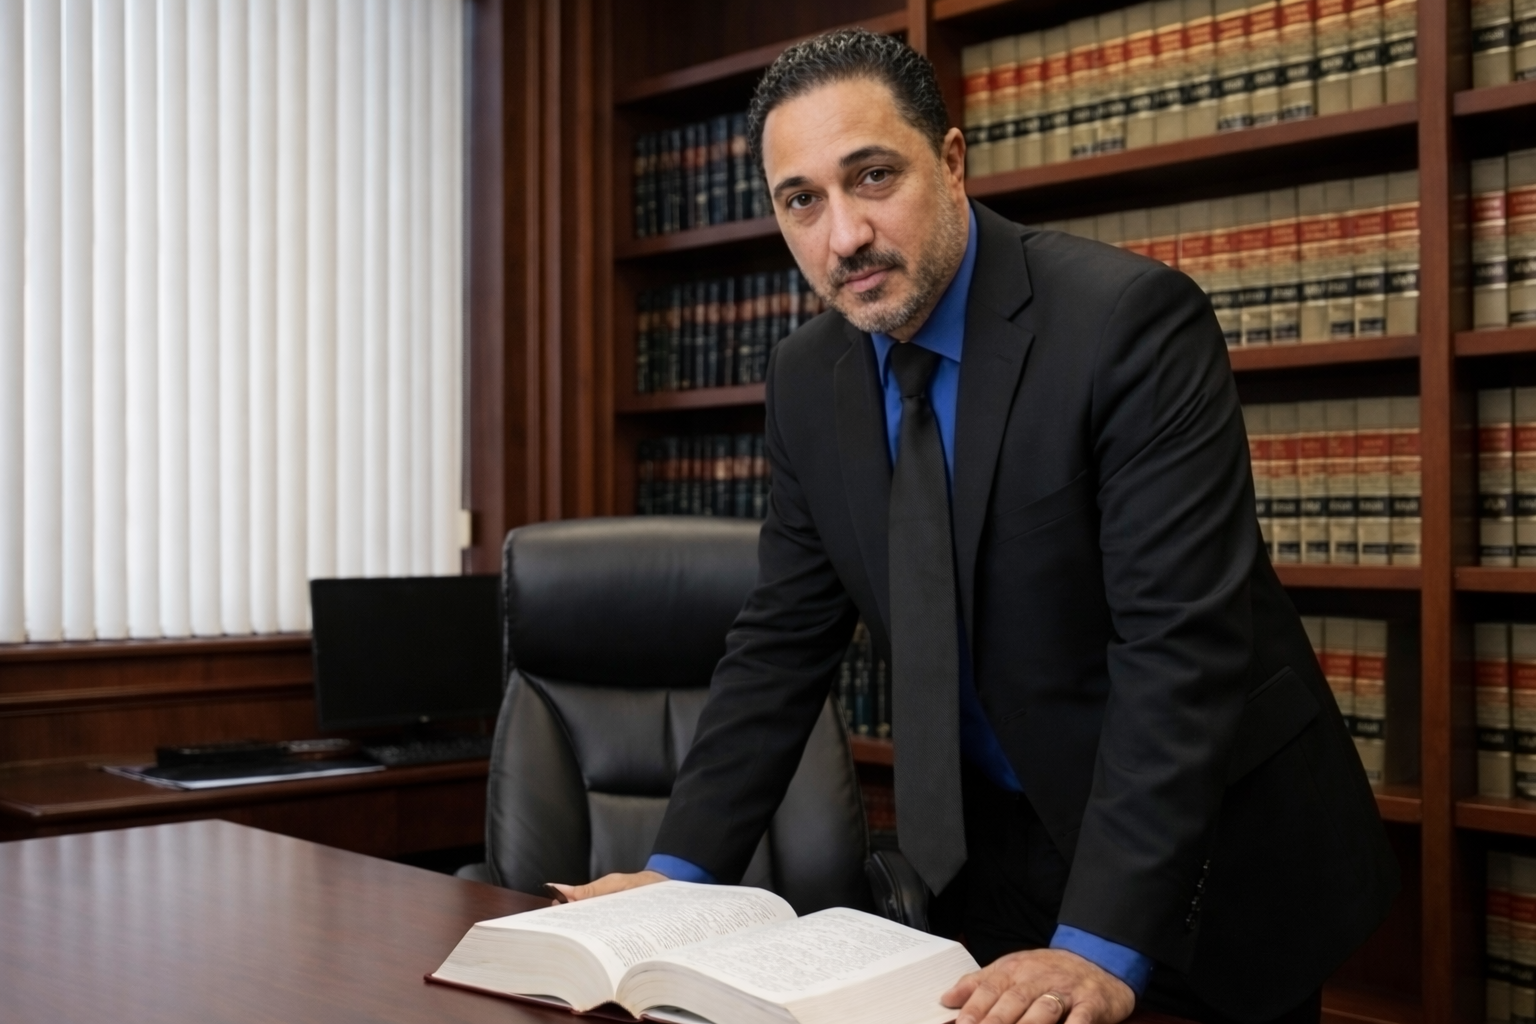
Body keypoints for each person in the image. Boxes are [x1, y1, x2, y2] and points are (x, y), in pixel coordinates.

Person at [550, 28, 1396, 1024]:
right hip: (987, 857)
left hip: (1201, 852)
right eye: (803, 200)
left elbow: (1179, 652)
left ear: (950, 163)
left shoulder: (1127, 325)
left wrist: (1097, 943)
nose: (844, 237)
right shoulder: (808, 376)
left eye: (873, 177)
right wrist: (678, 875)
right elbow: (781, 641)